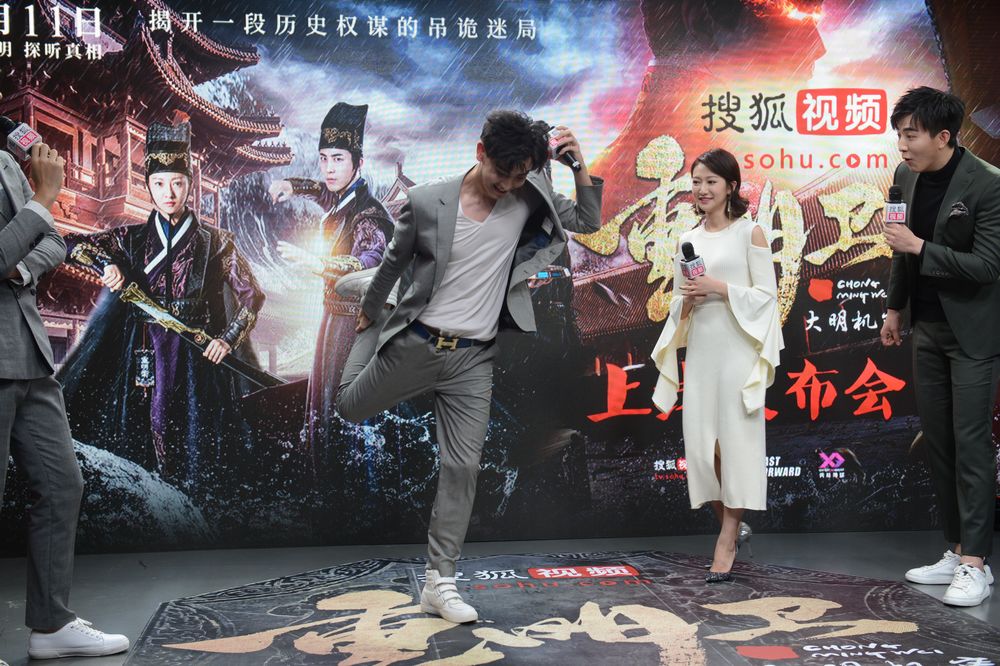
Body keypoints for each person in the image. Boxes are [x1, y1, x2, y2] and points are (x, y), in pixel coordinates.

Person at [332, 110, 603, 622]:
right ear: (480, 153)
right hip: (417, 344)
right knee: (349, 406)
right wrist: (371, 311)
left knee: (462, 467)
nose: (510, 185)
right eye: (503, 173)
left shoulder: (529, 195)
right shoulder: (426, 202)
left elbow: (588, 221)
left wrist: (578, 167)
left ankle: (440, 582)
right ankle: (377, 316)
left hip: (473, 356)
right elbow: (393, 261)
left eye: (521, 175)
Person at [59, 121, 265, 498]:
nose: (168, 193)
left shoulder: (217, 243)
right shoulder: (131, 238)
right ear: (148, 185)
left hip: (197, 353)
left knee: (197, 436)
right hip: (145, 347)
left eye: (177, 183)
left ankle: (197, 509)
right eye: (159, 183)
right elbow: (70, 243)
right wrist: (107, 263)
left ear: (190, 185)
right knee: (142, 427)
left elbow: (253, 296)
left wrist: (227, 339)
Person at [1, 136, 129, 658]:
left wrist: (21, 268)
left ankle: (50, 625)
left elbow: (53, 241)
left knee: (60, 485)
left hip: (30, 353)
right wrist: (42, 197)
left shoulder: (7, 159)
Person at [881, 86, 1000, 607]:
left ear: (944, 136)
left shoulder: (988, 184)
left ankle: (976, 563)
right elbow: (898, 249)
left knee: (971, 443)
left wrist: (920, 246)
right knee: (939, 442)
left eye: (912, 135)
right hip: (926, 328)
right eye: (899, 134)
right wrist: (895, 307)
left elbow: (988, 266)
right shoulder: (904, 177)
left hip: (972, 333)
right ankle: (955, 549)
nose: (902, 146)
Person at [651, 148, 782, 583]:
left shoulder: (750, 233)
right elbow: (679, 301)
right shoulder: (687, 239)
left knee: (736, 445)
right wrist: (688, 301)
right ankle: (732, 523)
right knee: (703, 450)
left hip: (738, 350)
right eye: (697, 182)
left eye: (711, 181)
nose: (702, 189)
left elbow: (766, 297)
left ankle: (726, 539)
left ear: (731, 186)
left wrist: (719, 287)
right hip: (703, 350)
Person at [268, 102, 393, 476]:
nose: (329, 169)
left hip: (355, 327)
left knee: (345, 412)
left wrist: (319, 264)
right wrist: (292, 186)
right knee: (323, 408)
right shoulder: (343, 198)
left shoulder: (369, 214)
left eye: (338, 159)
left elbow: (370, 260)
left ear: (359, 163)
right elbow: (324, 192)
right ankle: (327, 480)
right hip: (332, 320)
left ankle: (351, 488)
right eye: (323, 159)